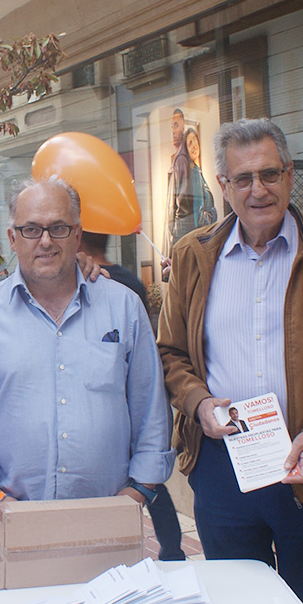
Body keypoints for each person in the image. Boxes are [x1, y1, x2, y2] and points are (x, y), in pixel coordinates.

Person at [158, 117, 303, 604]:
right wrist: (200, 403)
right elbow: (170, 354)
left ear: (290, 174)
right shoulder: (193, 255)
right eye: (243, 178)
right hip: (222, 467)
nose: (258, 189)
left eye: (270, 174)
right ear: (225, 187)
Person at [0, 177, 173, 518]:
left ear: (77, 235)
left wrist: (139, 490)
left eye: (58, 228)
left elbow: (150, 406)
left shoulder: (123, 308)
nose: (46, 241)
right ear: (13, 238)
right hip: (15, 517)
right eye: (32, 229)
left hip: (110, 515)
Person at [78, 231, 185, 561]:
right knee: (147, 480)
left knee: (144, 479)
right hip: (123, 399)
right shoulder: (129, 279)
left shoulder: (114, 287)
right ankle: (172, 547)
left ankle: (170, 546)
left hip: (121, 401)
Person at [168, 108, 196, 243]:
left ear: (184, 127)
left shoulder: (181, 158)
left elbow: (183, 201)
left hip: (184, 230)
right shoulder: (181, 157)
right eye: (172, 126)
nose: (173, 131)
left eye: (176, 125)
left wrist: (176, 233)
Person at [186, 128, 218, 227]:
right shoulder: (194, 173)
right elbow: (199, 218)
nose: (194, 145)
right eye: (190, 143)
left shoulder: (198, 171)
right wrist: (213, 215)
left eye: (195, 139)